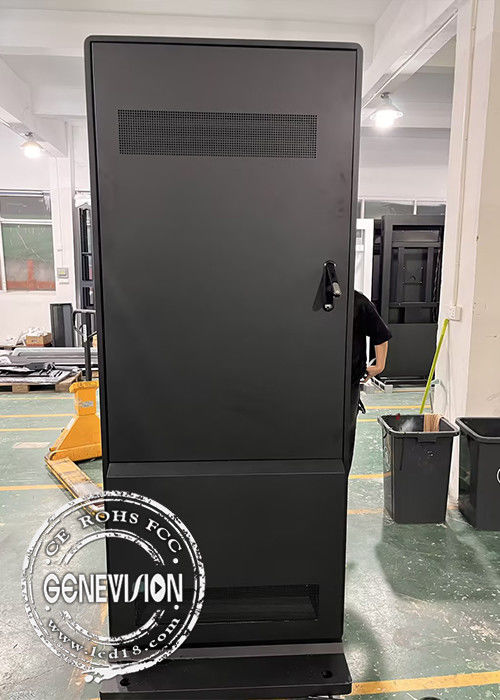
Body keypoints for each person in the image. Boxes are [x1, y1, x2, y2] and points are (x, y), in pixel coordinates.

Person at [347, 290, 392, 473]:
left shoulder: (356, 301)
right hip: (322, 380)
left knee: (343, 437)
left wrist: (379, 366)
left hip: (347, 383)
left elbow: (380, 333)